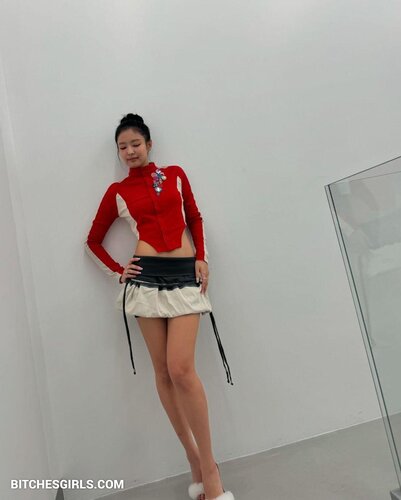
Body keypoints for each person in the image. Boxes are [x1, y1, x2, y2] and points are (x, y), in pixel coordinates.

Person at [84, 113, 235, 500]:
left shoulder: (176, 175)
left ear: (149, 144)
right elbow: (92, 242)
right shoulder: (117, 191)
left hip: (185, 276)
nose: (129, 151)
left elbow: (194, 218)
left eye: (135, 143)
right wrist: (120, 271)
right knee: (164, 373)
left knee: (182, 368)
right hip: (145, 281)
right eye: (122, 147)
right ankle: (193, 459)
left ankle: (211, 469)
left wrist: (202, 258)